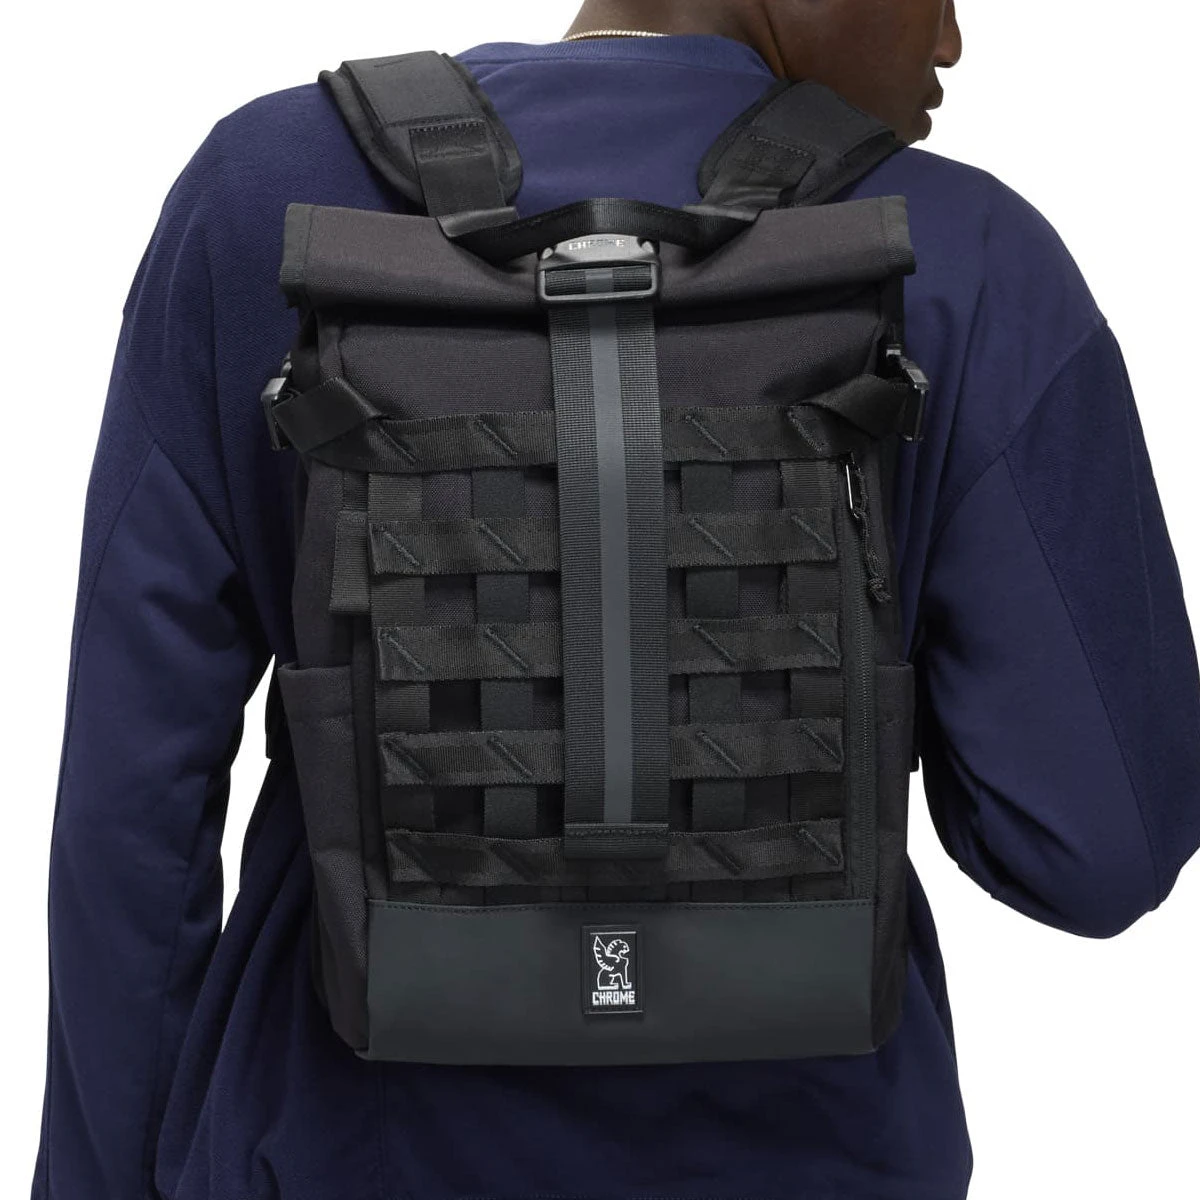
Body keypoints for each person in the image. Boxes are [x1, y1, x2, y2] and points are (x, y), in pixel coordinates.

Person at [31, 2, 1200, 1198]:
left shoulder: (260, 201)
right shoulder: (970, 257)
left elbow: (131, 804)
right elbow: (1096, 851)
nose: (950, 39)